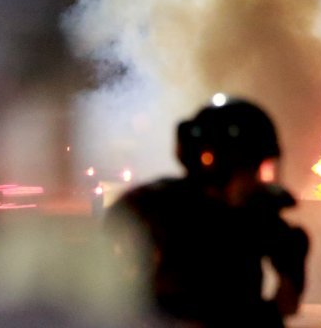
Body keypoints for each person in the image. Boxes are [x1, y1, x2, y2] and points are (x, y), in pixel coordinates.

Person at [103, 95, 309, 327]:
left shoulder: (257, 214)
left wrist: (292, 270)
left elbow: (287, 305)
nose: (256, 180)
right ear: (224, 166)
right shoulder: (157, 206)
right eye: (250, 169)